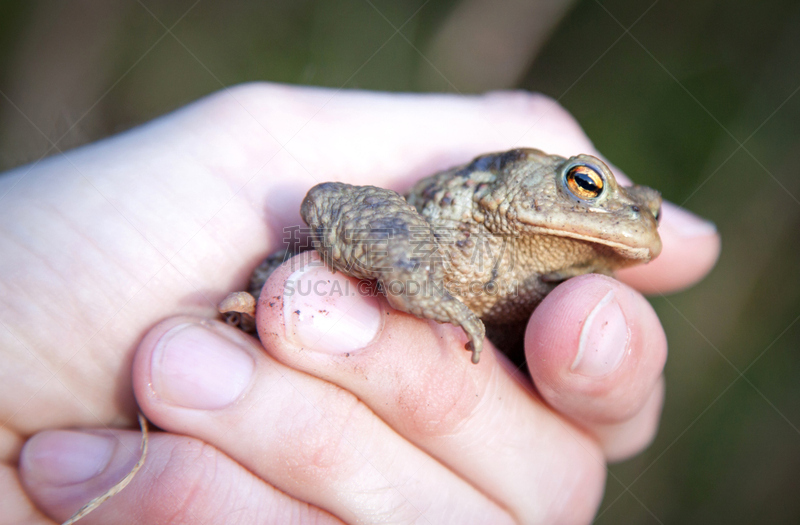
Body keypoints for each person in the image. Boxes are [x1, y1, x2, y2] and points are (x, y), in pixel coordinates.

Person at [1, 83, 719, 524]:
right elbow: (331, 203)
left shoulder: (571, 298)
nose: (634, 216)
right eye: (591, 187)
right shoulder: (465, 217)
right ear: (524, 182)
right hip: (241, 316)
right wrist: (417, 280)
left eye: (645, 210)